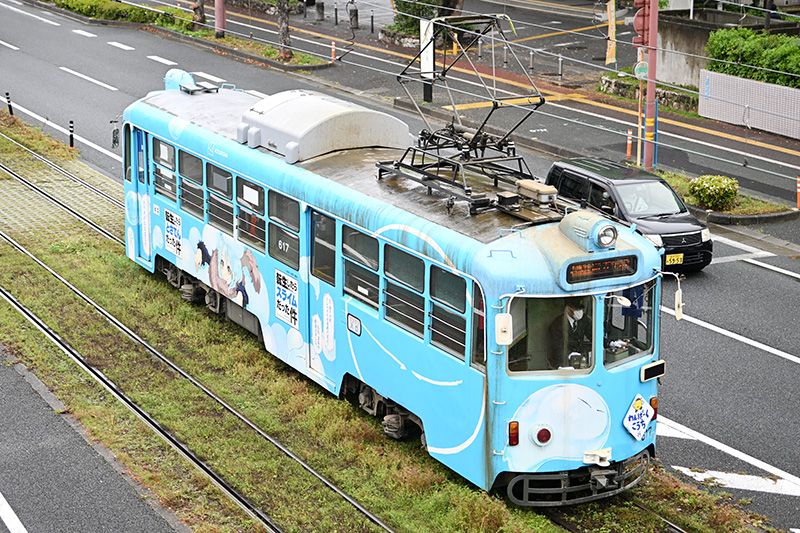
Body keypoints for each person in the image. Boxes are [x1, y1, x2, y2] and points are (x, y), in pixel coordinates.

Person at [548, 297, 591, 368]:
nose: (580, 311)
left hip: (580, 359)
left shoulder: (583, 319)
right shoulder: (556, 325)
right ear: (568, 309)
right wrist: (570, 355)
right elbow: (557, 348)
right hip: (562, 361)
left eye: (581, 309)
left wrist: (608, 343)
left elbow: (593, 334)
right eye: (576, 309)